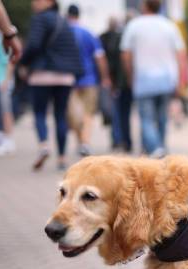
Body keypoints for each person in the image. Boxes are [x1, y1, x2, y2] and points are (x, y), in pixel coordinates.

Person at [20, 0, 83, 171]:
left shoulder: (39, 19)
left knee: (40, 112)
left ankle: (44, 146)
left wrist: (23, 62)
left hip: (42, 74)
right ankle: (62, 158)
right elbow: (73, 50)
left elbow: (33, 45)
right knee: (60, 115)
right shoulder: (64, 21)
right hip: (65, 76)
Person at [121, 0, 187, 157]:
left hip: (143, 79)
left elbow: (125, 55)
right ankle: (160, 147)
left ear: (144, 6)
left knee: (146, 119)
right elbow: (181, 54)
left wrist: (130, 75)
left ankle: (156, 148)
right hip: (166, 79)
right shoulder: (169, 26)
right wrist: (180, 79)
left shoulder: (134, 26)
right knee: (162, 118)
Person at [66, 4, 111, 157]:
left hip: (68, 79)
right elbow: (99, 57)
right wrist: (105, 77)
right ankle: (85, 142)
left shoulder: (63, 32)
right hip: (89, 79)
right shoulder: (88, 33)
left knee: (73, 115)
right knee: (88, 113)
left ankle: (82, 141)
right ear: (79, 15)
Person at [100, 15, 133, 152]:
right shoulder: (125, 38)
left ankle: (119, 140)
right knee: (123, 112)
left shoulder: (109, 37)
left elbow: (111, 62)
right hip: (127, 81)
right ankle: (125, 140)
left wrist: (110, 79)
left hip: (120, 82)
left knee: (118, 112)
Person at [0, 39, 15, 155]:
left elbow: (10, 61)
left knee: (5, 111)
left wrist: (6, 79)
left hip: (3, 81)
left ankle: (8, 140)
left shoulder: (5, 37)